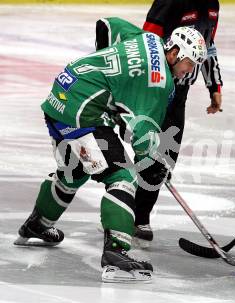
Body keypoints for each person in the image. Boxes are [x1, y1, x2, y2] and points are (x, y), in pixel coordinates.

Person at [14, 26, 207, 283]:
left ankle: (37, 225)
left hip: (61, 97)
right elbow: (142, 130)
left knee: (75, 170)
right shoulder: (159, 82)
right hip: (83, 113)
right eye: (189, 63)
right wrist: (151, 163)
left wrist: (110, 78)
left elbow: (108, 24)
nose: (189, 71)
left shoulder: (148, 39)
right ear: (174, 52)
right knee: (123, 177)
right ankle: (116, 254)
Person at [95, 0, 223, 248]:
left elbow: (207, 47)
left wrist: (214, 86)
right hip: (154, 86)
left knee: (164, 158)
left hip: (180, 90)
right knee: (145, 146)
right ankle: (122, 211)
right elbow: (145, 42)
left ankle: (140, 216)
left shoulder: (213, 4)